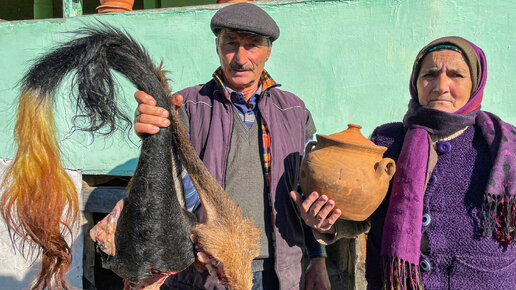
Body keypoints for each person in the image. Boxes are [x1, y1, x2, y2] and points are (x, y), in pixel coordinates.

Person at [292, 36, 516, 289]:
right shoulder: (387, 141)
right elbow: (362, 218)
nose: (441, 86)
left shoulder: (501, 147)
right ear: (415, 82)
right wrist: (328, 225)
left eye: (456, 75)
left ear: (476, 83)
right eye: (430, 74)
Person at [134, 3, 330, 289]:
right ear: (217, 46)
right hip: (206, 274)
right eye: (231, 43)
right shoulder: (187, 106)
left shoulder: (295, 112)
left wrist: (318, 258)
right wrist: (151, 130)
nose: (240, 58)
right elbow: (162, 185)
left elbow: (308, 193)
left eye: (252, 46)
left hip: (281, 275)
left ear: (269, 51)